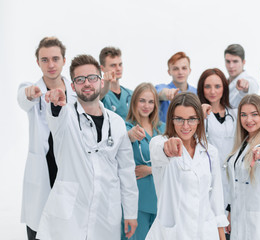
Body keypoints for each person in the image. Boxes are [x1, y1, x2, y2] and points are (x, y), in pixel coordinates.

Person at [36, 54, 138, 240]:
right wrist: (56, 104)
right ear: (73, 86)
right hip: (69, 218)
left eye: (92, 78)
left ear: (100, 81)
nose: (87, 83)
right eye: (80, 80)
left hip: (105, 213)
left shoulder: (116, 122)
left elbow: (126, 170)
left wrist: (131, 212)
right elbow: (55, 117)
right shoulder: (65, 114)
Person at [17, 37, 77, 240]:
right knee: (38, 227)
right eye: (44, 60)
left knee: (68, 225)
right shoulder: (32, 89)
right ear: (38, 62)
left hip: (68, 164)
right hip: (44, 166)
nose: (50, 65)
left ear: (63, 60)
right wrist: (31, 94)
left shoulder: (75, 91)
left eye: (55, 58)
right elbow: (22, 99)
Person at [146, 92, 228, 240]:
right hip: (172, 233)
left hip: (205, 233)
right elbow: (159, 150)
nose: (185, 126)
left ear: (199, 120)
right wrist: (168, 147)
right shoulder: (159, 142)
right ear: (171, 119)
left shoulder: (210, 152)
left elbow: (216, 201)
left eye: (191, 119)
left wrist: (222, 236)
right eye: (179, 119)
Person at [225, 94, 260, 240]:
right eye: (244, 115)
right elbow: (235, 184)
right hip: (238, 217)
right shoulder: (241, 143)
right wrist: (230, 212)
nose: (248, 120)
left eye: (254, 114)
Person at [125, 83, 166, 240]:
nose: (146, 106)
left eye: (151, 101)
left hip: (160, 198)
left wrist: (150, 170)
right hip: (138, 199)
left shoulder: (162, 129)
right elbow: (122, 143)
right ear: (134, 101)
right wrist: (129, 136)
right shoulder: (127, 126)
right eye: (142, 100)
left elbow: (173, 162)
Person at [196, 68, 236, 208]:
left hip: (232, 175)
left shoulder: (234, 114)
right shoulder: (196, 114)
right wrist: (199, 114)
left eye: (217, 86)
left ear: (224, 88)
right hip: (208, 175)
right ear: (201, 88)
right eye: (208, 86)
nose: (212, 91)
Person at [155, 52, 197, 122]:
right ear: (169, 72)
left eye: (184, 68)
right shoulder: (161, 87)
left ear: (189, 70)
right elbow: (160, 93)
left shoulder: (196, 92)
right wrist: (168, 93)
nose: (180, 72)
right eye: (175, 69)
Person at [99, 46, 133, 121]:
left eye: (120, 64)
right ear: (102, 68)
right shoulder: (100, 95)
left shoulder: (131, 94)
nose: (118, 68)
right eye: (113, 65)